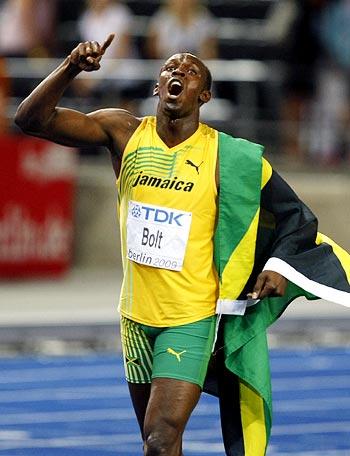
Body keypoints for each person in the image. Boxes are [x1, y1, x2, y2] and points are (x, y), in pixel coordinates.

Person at [14, 34, 350, 455]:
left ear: (204, 94)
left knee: (160, 437)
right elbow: (29, 120)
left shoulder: (229, 158)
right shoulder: (124, 133)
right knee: (159, 444)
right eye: (170, 68)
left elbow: (296, 215)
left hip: (191, 318)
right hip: (135, 318)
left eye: (191, 72)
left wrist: (278, 266)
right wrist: (70, 67)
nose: (178, 73)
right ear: (158, 87)